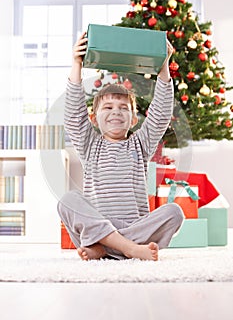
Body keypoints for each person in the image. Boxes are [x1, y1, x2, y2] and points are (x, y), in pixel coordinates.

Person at [57, 31, 184, 261]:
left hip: (134, 226)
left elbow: (160, 114)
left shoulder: (140, 144)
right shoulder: (89, 145)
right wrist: (76, 64)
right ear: (94, 118)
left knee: (175, 213)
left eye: (123, 108)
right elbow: (74, 115)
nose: (116, 111)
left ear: (134, 120)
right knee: (68, 201)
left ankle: (107, 248)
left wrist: (164, 67)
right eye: (107, 108)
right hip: (99, 224)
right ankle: (129, 248)